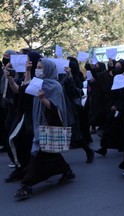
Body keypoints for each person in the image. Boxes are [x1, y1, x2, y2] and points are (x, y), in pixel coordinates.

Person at [14, 58, 75, 200]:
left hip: (48, 123)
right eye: (37, 67)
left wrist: (43, 99)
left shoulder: (55, 86)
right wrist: (27, 71)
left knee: (38, 154)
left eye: (41, 67)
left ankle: (26, 186)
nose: (38, 69)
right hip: (37, 123)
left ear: (48, 69)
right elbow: (24, 91)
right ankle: (66, 170)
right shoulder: (37, 82)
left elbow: (56, 108)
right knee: (49, 153)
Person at [4, 52, 42, 182]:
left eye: (27, 60)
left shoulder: (39, 78)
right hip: (21, 114)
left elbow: (27, 90)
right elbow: (17, 90)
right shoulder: (24, 76)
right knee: (16, 142)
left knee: (15, 140)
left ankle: (25, 170)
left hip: (33, 116)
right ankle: (22, 168)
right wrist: (9, 78)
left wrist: (27, 71)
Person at [62, 60, 95, 163]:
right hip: (64, 108)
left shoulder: (70, 79)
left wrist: (70, 76)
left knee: (74, 134)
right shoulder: (60, 78)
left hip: (70, 109)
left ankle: (88, 151)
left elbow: (73, 91)